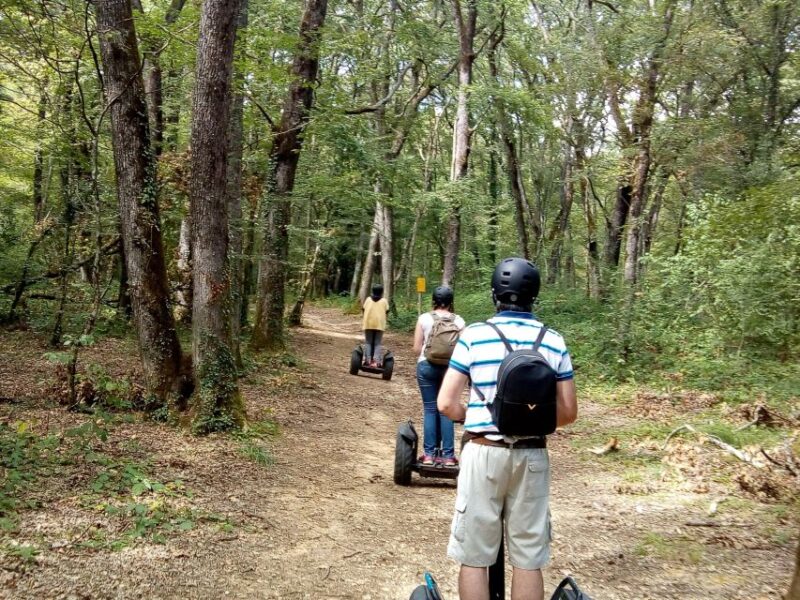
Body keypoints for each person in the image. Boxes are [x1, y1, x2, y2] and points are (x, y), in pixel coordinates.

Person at [437, 257, 578, 600]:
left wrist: (470, 414)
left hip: (483, 452)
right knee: (528, 558)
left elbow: (445, 403)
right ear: (535, 296)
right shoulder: (553, 340)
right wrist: (530, 419)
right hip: (531, 456)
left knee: (474, 556)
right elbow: (568, 412)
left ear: (494, 294)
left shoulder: (474, 335)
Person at [412, 285, 465, 466]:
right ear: (451, 302)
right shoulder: (459, 321)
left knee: (430, 409)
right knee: (447, 410)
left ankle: (428, 455)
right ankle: (449, 457)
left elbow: (417, 349)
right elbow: (464, 351)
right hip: (450, 369)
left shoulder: (424, 318)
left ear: (433, 300)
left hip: (426, 366)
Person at [362, 283, 389, 367]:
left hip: (368, 323)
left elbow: (363, 309)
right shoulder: (384, 301)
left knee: (368, 342)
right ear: (382, 292)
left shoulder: (368, 299)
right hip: (379, 325)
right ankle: (376, 361)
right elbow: (387, 311)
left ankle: (368, 360)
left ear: (372, 291)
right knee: (377, 343)